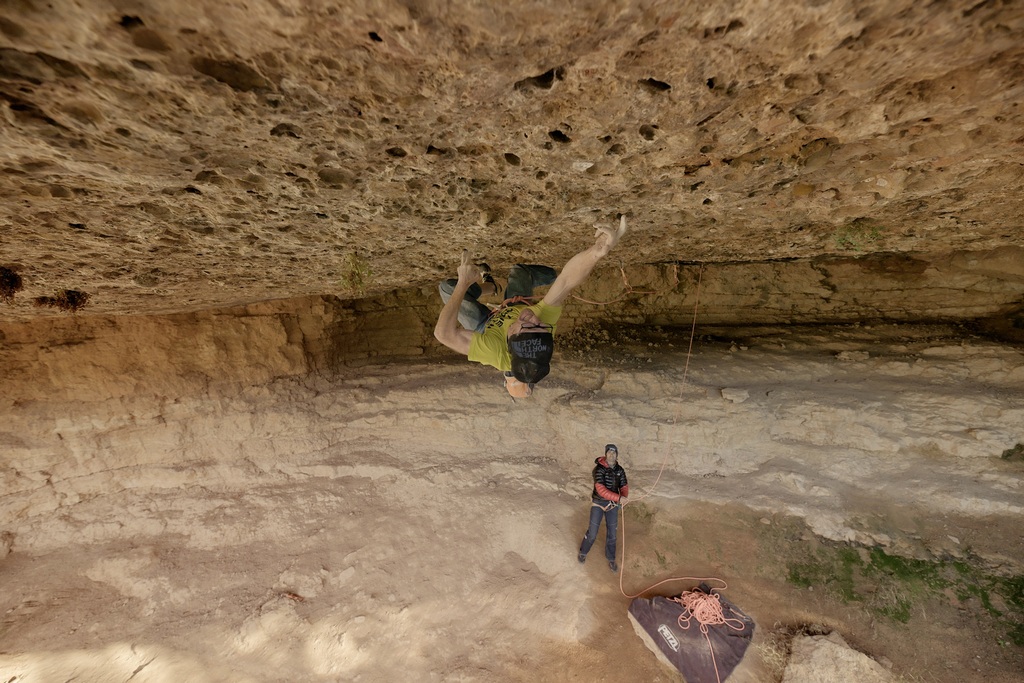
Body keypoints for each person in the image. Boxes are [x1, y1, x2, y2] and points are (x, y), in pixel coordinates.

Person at [433, 216, 628, 397]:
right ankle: (542, 274)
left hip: (486, 325)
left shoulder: (494, 352)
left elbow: (444, 334)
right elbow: (567, 281)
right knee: (520, 272)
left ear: (510, 341)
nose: (533, 318)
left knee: (448, 289)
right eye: (539, 325)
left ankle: (491, 286)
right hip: (515, 305)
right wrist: (597, 251)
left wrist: (463, 283)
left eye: (526, 324)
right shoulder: (542, 328)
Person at [578, 444, 629, 572]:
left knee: (612, 534)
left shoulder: (620, 470)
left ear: (617, 455)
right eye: (609, 452)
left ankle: (611, 558)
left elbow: (624, 486)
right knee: (593, 532)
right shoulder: (599, 469)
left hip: (612, 505)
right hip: (599, 503)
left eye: (614, 452)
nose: (611, 454)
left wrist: (623, 496)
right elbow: (601, 490)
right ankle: (583, 552)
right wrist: (619, 498)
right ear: (606, 454)